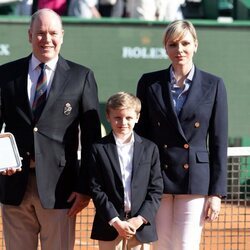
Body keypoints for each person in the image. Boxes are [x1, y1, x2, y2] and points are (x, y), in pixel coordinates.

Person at [0, 8, 101, 250]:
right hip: (14, 186)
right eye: (40, 33)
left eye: (53, 33)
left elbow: (91, 140)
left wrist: (84, 186)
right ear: (29, 35)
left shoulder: (81, 77)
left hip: (61, 190)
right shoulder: (5, 74)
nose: (47, 39)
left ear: (62, 35)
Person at [135, 20, 228, 250]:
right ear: (165, 48)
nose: (180, 50)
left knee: (186, 245)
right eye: (173, 44)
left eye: (185, 43)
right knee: (161, 244)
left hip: (194, 179)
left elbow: (218, 141)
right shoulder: (149, 83)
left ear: (195, 45)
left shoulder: (214, 84)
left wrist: (216, 193)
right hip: (158, 178)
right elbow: (141, 137)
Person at [88, 92, 163, 250]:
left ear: (137, 117)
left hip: (140, 228)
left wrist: (139, 220)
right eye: (117, 117)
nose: (123, 122)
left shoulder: (150, 148)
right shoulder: (98, 149)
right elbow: (96, 189)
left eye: (128, 118)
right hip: (110, 227)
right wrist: (115, 221)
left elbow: (156, 189)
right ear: (108, 117)